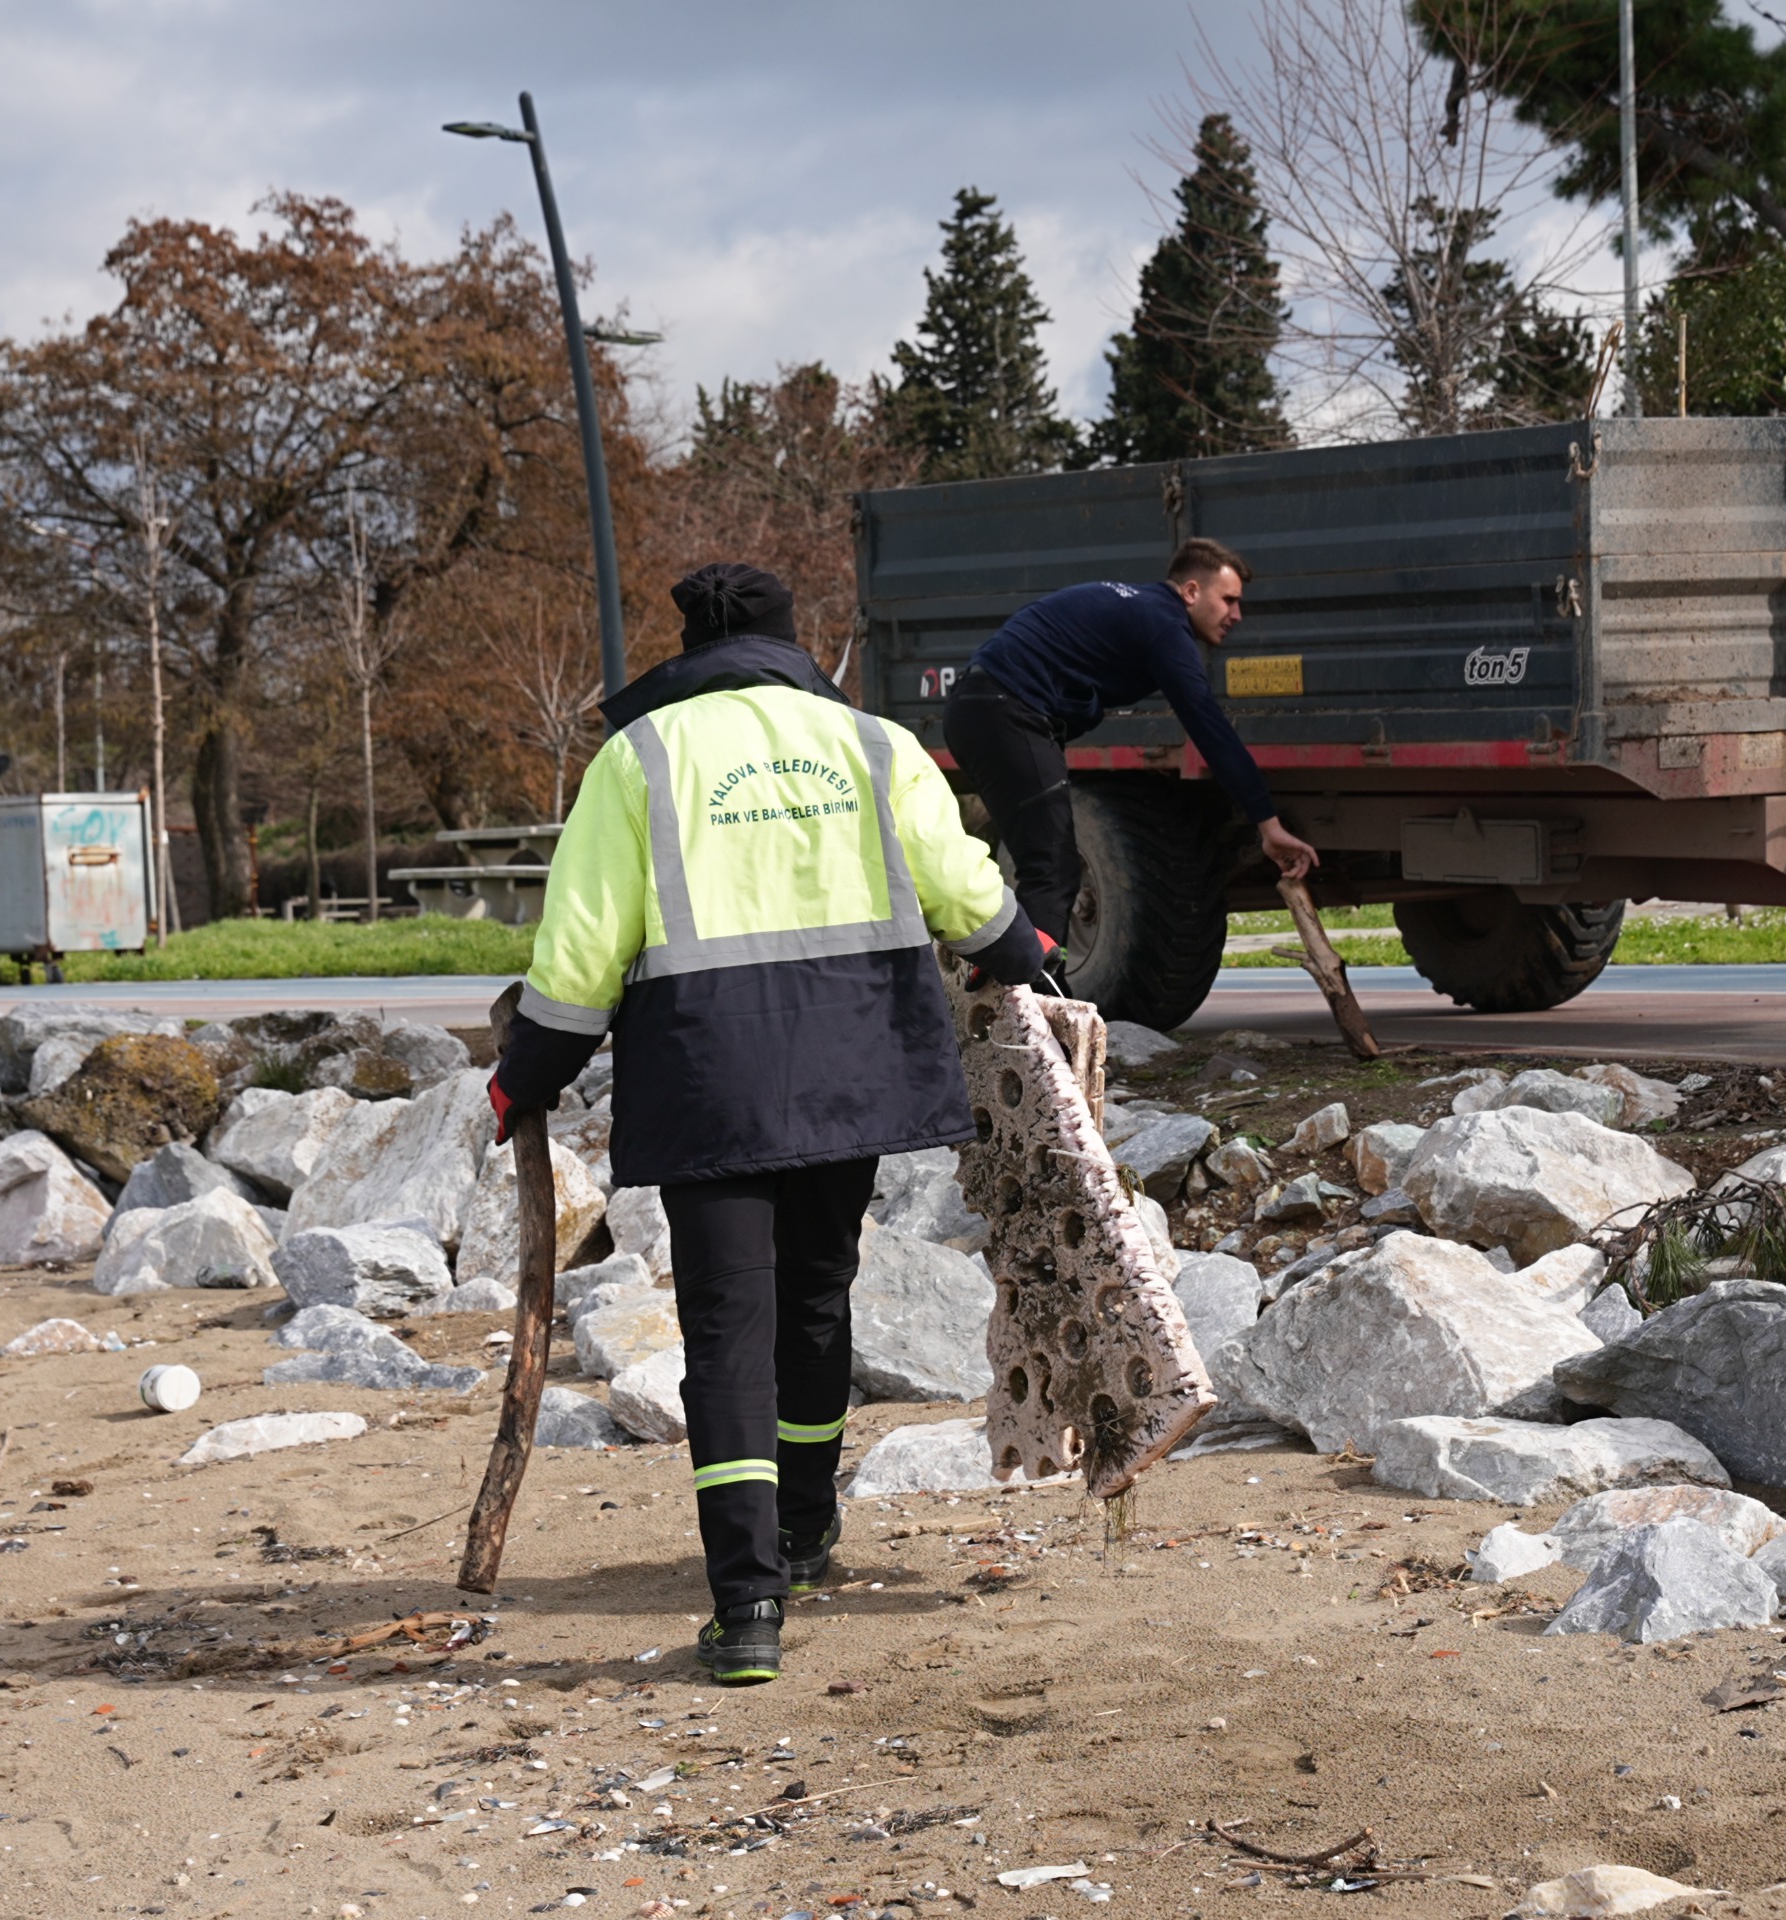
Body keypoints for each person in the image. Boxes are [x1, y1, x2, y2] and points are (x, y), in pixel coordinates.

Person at [488, 561, 1052, 1686]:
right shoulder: (876, 745)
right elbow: (967, 894)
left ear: (687, 647)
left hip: (711, 1080)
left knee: (726, 1332)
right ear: (801, 644)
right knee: (814, 1299)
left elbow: (583, 949)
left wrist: (526, 1074)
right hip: (855, 1072)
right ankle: (806, 1532)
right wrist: (1025, 956)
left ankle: (746, 1604)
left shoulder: (638, 758)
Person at [940, 536, 1318, 982]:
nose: (1236, 614)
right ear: (1191, 591)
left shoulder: (1142, 608)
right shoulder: (1161, 621)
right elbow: (1209, 729)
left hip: (985, 708)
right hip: (1003, 711)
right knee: (1052, 868)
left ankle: (1007, 980)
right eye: (1228, 600)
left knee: (1045, 862)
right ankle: (1031, 1003)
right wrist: (1268, 824)